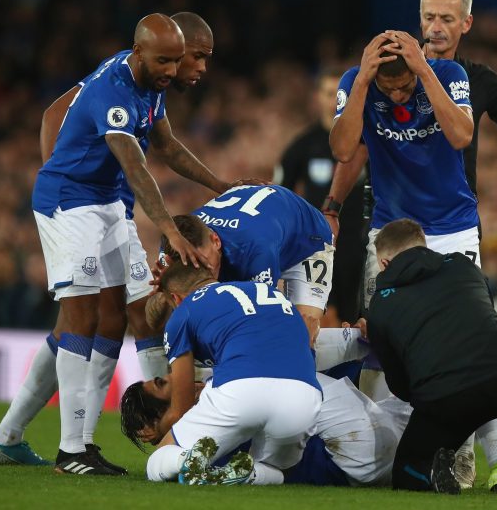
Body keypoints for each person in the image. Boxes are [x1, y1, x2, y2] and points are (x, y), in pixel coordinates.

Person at [323, 0, 497, 490]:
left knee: (474, 348)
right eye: (429, 16)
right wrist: (334, 205)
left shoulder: (465, 77)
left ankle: (474, 461)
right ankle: (384, 451)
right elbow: (348, 149)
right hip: (389, 233)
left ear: (466, 24)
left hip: (451, 233)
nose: (436, 27)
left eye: (448, 18)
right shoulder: (370, 76)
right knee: (381, 342)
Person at [0, 13, 232, 473]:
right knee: (83, 316)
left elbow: (167, 147)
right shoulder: (113, 90)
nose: (174, 72)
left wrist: (222, 185)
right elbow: (135, 166)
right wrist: (170, 231)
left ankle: (49, 439)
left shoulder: (150, 81)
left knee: (132, 312)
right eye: (168, 61)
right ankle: (71, 450)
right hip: (71, 203)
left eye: (178, 61)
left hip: (109, 204)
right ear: (139, 51)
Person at [366, 218, 497, 496]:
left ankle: (429, 473)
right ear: (423, 246)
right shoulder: (463, 266)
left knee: (405, 471)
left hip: (446, 400)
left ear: (384, 264)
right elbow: (483, 319)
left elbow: (400, 388)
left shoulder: (380, 306)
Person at [138, 260, 322, 485]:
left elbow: (182, 406)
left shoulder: (184, 311)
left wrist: (164, 434)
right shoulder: (268, 291)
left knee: (157, 461)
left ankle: (188, 460)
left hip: (240, 392)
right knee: (278, 471)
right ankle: (245, 475)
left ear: (175, 298)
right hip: (302, 398)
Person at [122, 371, 411, 487]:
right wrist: (355, 338)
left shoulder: (213, 416)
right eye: (165, 385)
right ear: (152, 428)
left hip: (365, 458)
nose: (181, 379)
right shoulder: (219, 402)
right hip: (353, 448)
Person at [153, 183, 335, 348]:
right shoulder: (174, 244)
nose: (202, 275)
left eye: (204, 264)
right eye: (192, 266)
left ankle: (355, 344)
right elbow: (154, 322)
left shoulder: (256, 251)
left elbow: (262, 320)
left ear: (215, 241)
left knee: (299, 337)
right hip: (259, 224)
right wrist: (165, 293)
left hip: (307, 240)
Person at [278, 67, 367, 324]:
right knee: (322, 318)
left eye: (343, 94)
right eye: (330, 93)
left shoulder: (368, 142)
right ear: (318, 97)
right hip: (320, 246)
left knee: (361, 318)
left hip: (361, 244)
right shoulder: (302, 146)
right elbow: (281, 193)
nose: (336, 100)